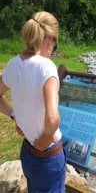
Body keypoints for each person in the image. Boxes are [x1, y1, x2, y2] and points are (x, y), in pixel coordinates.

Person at [0, 11, 66, 192]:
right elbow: (52, 119)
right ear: (49, 39)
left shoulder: (13, 64)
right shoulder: (46, 67)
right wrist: (45, 139)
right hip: (48, 158)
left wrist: (15, 116)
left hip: (28, 153)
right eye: (54, 41)